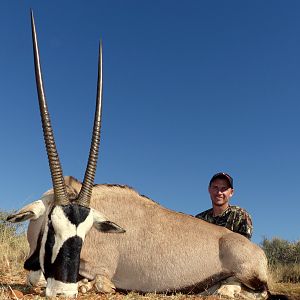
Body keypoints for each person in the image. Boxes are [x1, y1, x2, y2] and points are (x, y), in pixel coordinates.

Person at [195, 172, 253, 239]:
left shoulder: (241, 215)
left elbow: (242, 246)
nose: (219, 192)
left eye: (224, 188)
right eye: (215, 187)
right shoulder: (199, 219)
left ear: (231, 192)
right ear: (209, 190)